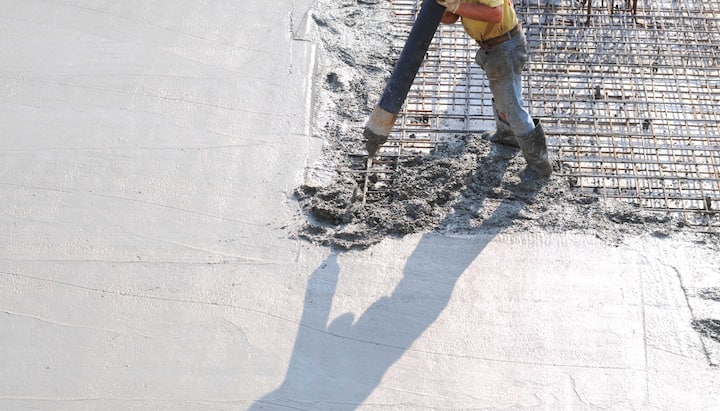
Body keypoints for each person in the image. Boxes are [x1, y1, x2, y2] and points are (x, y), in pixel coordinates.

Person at [436, 0, 552, 180]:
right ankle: (507, 135)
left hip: (505, 46)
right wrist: (442, 9)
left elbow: (495, 14)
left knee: (512, 107)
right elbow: (454, 16)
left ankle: (540, 166)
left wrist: (456, 6)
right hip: (493, 47)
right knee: (503, 96)